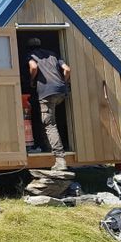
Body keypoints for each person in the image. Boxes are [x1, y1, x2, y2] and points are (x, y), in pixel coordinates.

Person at [27, 37, 71, 171]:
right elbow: (67, 69)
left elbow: (33, 67)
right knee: (48, 120)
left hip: (46, 93)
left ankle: (60, 159)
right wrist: (63, 82)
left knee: (49, 124)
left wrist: (32, 80)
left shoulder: (31, 55)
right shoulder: (53, 54)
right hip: (61, 91)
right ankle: (47, 146)